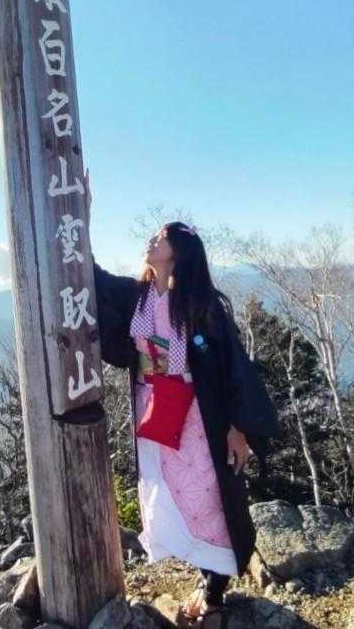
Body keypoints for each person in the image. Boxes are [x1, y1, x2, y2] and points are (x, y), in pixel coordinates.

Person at [84, 168, 280, 628]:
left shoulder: (202, 305)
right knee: (171, 496)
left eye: (161, 237)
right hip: (154, 410)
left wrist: (237, 428)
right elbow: (91, 276)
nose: (152, 241)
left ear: (179, 252)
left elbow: (232, 368)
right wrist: (82, 215)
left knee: (209, 498)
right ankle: (202, 576)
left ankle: (214, 593)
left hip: (198, 417)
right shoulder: (137, 296)